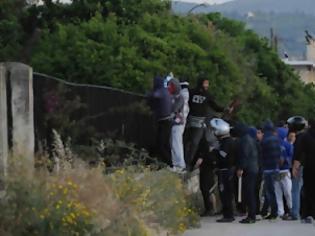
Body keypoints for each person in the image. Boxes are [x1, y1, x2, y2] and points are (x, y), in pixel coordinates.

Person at [185, 76, 227, 170]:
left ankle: (188, 162)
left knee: (195, 143)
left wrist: (224, 109)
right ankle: (184, 161)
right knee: (186, 141)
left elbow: (214, 106)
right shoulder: (191, 92)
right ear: (201, 83)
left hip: (199, 122)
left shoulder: (207, 95)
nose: (207, 85)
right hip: (189, 120)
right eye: (206, 83)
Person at [210, 118, 236, 223]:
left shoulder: (226, 142)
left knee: (225, 193)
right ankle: (228, 214)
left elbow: (223, 156)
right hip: (226, 170)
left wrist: (214, 151)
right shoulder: (227, 141)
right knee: (225, 194)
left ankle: (228, 215)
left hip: (226, 171)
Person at [235, 123, 259, 224]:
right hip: (254, 168)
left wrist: (240, 168)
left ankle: (251, 216)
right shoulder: (251, 139)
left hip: (248, 169)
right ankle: (252, 214)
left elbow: (244, 155)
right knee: (251, 193)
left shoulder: (243, 141)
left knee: (248, 193)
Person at [292, 118, 315, 223]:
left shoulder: (306, 136)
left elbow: (299, 151)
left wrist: (295, 166)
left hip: (310, 167)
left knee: (308, 190)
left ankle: (308, 214)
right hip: (309, 166)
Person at [285, 116, 307, 221]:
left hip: (299, 166)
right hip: (306, 166)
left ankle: (295, 213)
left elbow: (298, 154)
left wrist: (295, 167)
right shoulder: (306, 136)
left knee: (295, 190)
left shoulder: (299, 138)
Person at [148, 76, 172, 166]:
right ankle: (164, 163)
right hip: (166, 121)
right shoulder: (166, 91)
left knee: (161, 145)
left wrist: (149, 93)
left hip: (164, 121)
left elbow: (153, 95)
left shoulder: (161, 91)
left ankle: (170, 164)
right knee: (164, 144)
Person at [260, 121, 281, 220]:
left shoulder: (264, 140)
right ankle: (265, 211)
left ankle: (274, 212)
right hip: (276, 168)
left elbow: (261, 155)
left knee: (269, 191)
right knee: (271, 190)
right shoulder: (276, 139)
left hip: (268, 169)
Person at [275, 127, 293, 219]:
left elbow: (290, 157)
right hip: (283, 171)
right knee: (285, 192)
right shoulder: (288, 144)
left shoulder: (286, 145)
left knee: (283, 192)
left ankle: (286, 210)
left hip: (283, 171)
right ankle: (284, 211)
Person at [168, 78, 186, 172]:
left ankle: (180, 164)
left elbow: (175, 108)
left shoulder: (180, 97)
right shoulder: (172, 97)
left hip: (178, 123)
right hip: (173, 123)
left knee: (177, 143)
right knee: (173, 143)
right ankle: (175, 163)